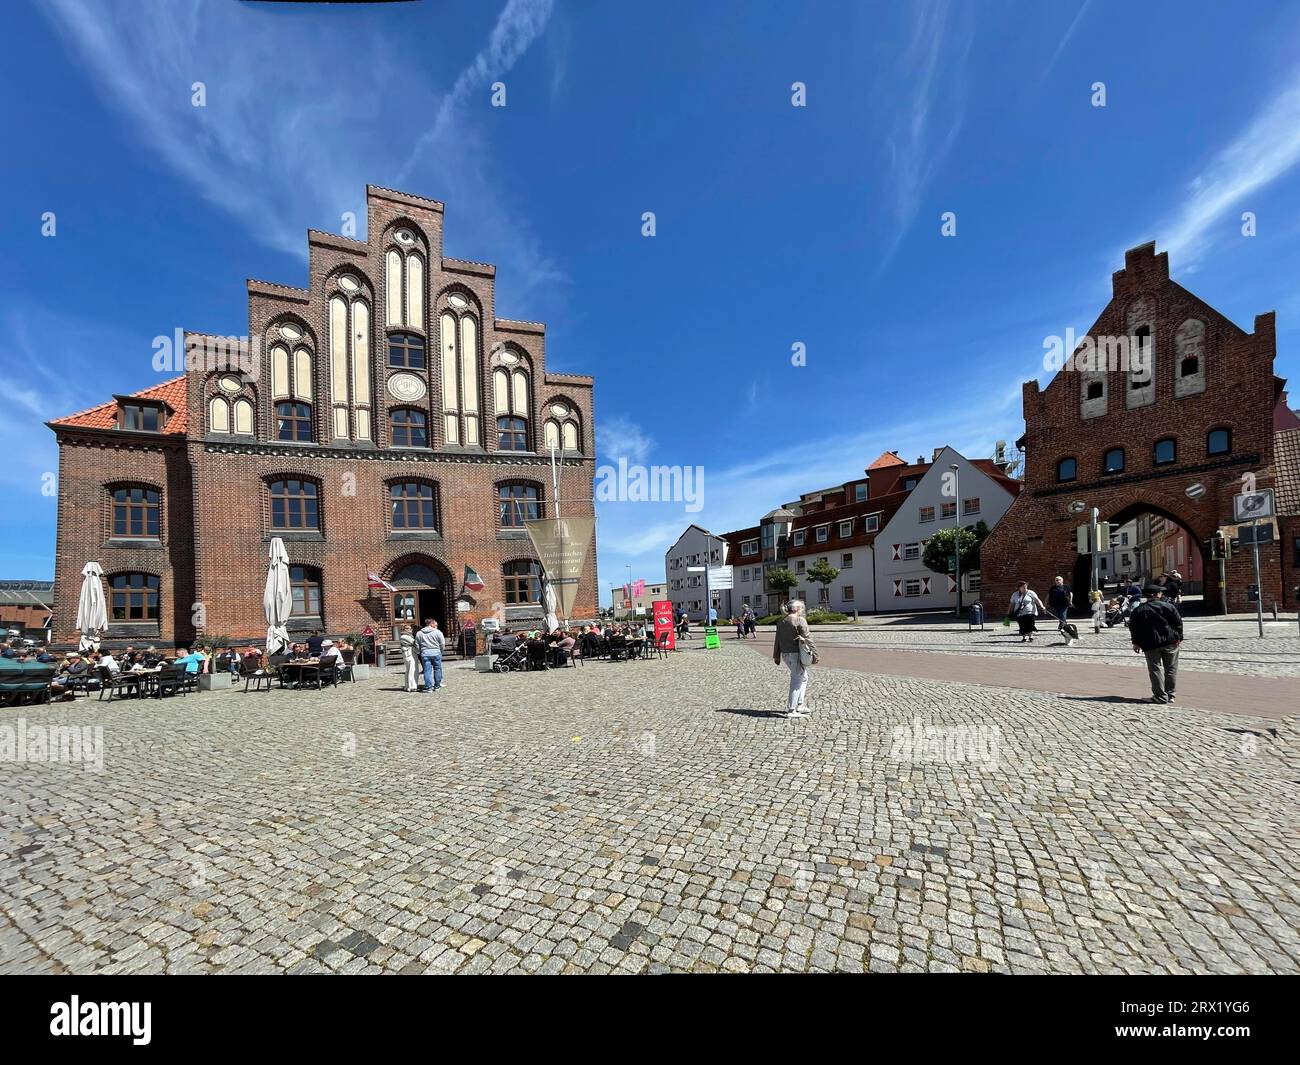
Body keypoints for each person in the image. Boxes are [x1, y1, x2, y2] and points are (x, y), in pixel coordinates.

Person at [1128, 583, 1184, 704]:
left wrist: (1136, 643)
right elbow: (1178, 623)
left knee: (1155, 669)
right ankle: (1170, 695)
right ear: (1157, 594)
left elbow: (1134, 628)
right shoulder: (1169, 606)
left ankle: (1160, 696)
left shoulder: (1138, 610)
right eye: (1160, 592)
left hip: (1150, 644)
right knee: (1171, 668)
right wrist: (1179, 637)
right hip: (1170, 641)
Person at [773, 600, 813, 718]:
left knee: (804, 677)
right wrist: (815, 654)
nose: (802, 610)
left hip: (786, 654)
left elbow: (777, 639)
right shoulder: (800, 620)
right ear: (796, 609)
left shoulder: (781, 621)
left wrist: (776, 655)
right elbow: (808, 638)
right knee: (796, 680)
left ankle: (800, 705)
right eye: (801, 608)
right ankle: (791, 710)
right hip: (796, 654)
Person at [416, 618, 445, 692]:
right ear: (431, 623)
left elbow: (417, 644)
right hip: (436, 652)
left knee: (427, 670)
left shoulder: (419, 633)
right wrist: (441, 651)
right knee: (437, 669)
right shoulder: (438, 632)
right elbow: (442, 643)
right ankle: (437, 686)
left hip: (425, 653)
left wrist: (419, 651)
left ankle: (428, 687)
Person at [399, 624, 418, 692]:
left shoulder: (408, 636)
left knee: (409, 670)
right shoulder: (404, 636)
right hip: (409, 655)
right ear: (404, 629)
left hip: (410, 654)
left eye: (410, 628)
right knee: (412, 670)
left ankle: (407, 686)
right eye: (408, 628)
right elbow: (414, 642)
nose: (410, 629)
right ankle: (412, 686)